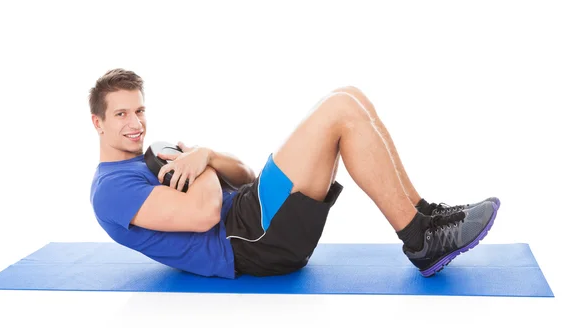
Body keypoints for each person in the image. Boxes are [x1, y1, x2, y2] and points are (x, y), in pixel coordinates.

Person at [89, 68, 499, 279]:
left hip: (252, 213)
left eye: (139, 110)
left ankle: (423, 216)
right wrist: (198, 167)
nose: (135, 123)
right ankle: (420, 240)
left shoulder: (157, 159)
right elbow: (203, 216)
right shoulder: (111, 189)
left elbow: (246, 173)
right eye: (121, 113)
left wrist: (205, 154)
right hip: (247, 242)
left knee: (348, 96)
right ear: (98, 123)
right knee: (338, 112)